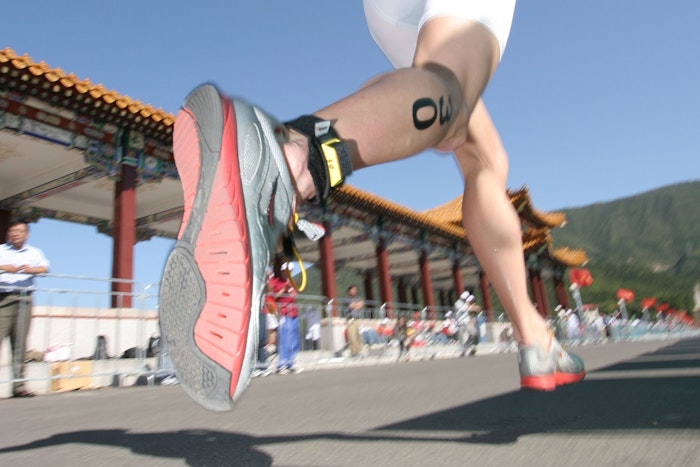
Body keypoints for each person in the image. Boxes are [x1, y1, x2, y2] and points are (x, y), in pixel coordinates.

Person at [159, 0, 585, 410]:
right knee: (450, 99)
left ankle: (534, 337)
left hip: (388, 16)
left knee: (484, 157)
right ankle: (291, 159)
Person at [0, 221, 50, 398]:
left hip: (25, 299)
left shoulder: (34, 252)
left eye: (19, 231)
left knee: (20, 344)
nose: (15, 234)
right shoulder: (1, 250)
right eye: (12, 231)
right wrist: (4, 268)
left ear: (27, 234)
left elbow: (45, 268)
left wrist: (32, 270)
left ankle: (19, 386)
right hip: (3, 298)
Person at [269, 262, 300, 375]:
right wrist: (283, 289)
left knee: (293, 339)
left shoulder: (291, 282)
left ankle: (290, 363)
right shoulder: (275, 281)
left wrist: (291, 288)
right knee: (284, 339)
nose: (289, 273)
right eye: (287, 271)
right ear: (282, 271)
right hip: (283, 313)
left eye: (290, 271)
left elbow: (295, 295)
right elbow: (273, 296)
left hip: (293, 313)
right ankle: (281, 364)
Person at [344, 285, 365, 357]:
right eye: (353, 289)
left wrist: (356, 305)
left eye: (355, 289)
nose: (355, 291)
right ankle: (354, 352)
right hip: (351, 319)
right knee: (352, 336)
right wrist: (357, 305)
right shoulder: (347, 298)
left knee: (359, 336)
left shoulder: (358, 298)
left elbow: (361, 304)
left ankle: (360, 351)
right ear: (349, 291)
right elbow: (351, 306)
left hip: (357, 319)